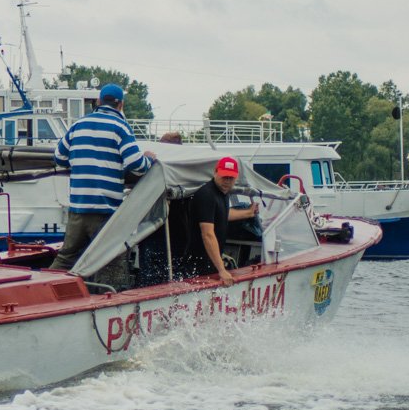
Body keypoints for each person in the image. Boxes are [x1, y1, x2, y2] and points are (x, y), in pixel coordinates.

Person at [51, 83, 156, 272]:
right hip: (105, 211)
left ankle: (47, 290)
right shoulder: (120, 127)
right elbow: (136, 165)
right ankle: (105, 298)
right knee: (109, 262)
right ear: (120, 105)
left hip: (78, 208)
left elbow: (59, 158)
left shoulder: (78, 125)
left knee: (66, 258)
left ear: (99, 101)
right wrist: (149, 160)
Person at [179, 156, 260, 286]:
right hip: (197, 265)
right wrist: (222, 270)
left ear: (236, 177)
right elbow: (207, 234)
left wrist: (248, 213)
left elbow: (221, 214)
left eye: (231, 178)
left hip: (210, 262)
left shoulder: (223, 192)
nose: (227, 181)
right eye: (224, 177)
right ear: (215, 172)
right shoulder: (207, 195)